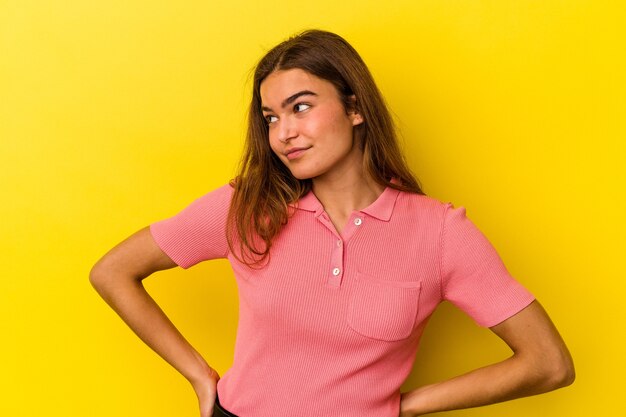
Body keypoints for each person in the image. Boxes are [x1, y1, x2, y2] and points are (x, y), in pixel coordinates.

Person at [90, 29, 575, 417]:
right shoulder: (247, 206)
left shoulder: (441, 233)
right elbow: (112, 271)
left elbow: (548, 364)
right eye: (271, 117)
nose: (284, 133)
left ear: (355, 107)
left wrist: (406, 407)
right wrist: (199, 375)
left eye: (300, 107)